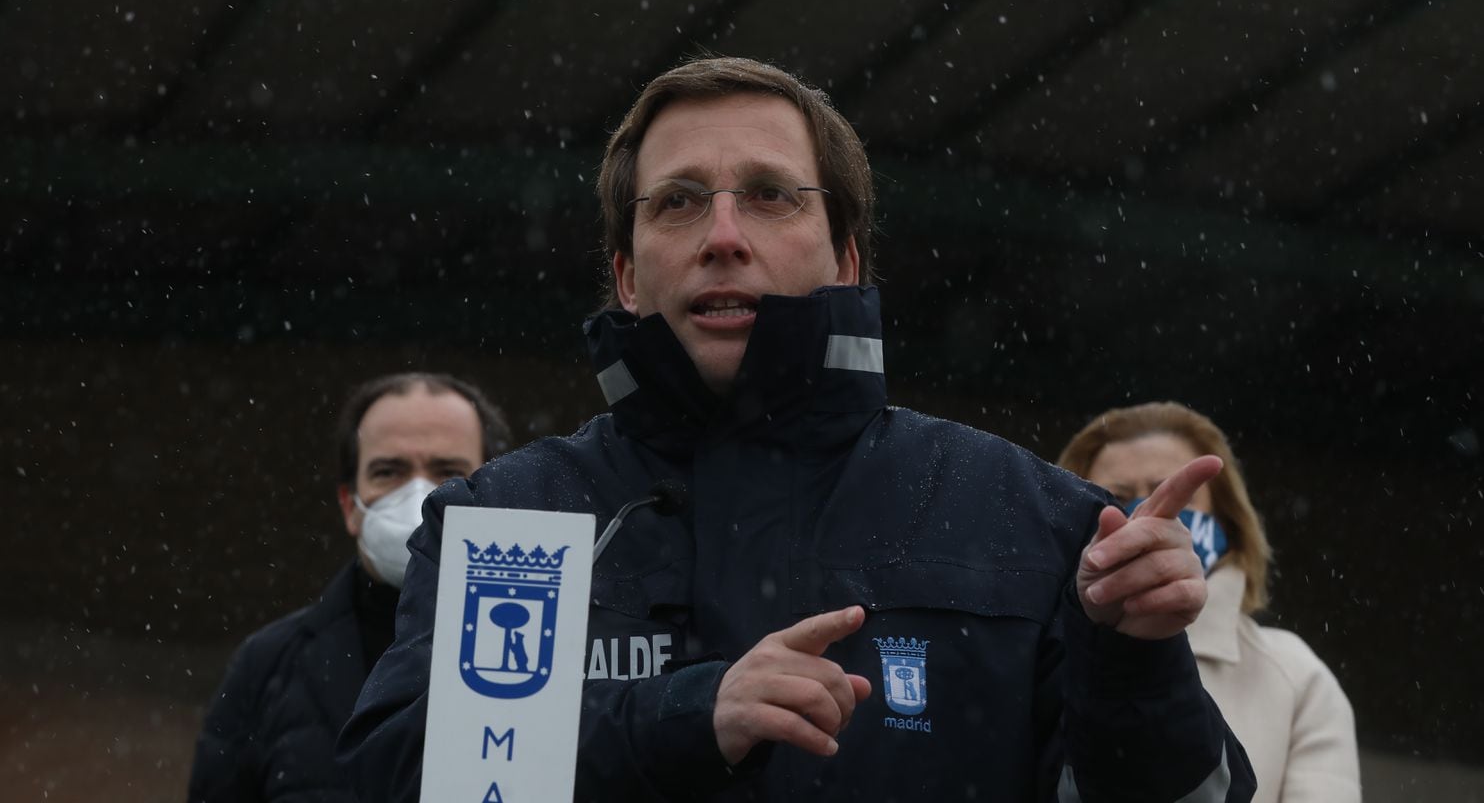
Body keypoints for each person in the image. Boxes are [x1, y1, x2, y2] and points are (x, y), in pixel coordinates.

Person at [339, 57, 1256, 801]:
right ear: (626, 273)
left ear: (845, 256)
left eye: (772, 196)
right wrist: (686, 718)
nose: (725, 234)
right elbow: (393, 782)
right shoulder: (507, 520)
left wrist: (1133, 663)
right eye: (679, 200)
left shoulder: (1038, 521)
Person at [188, 373, 513, 803]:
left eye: (448, 471)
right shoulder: (266, 669)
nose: (419, 494)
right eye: (388, 471)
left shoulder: (551, 662)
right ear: (349, 505)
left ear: (497, 495)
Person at [1057, 401, 1360, 803]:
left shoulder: (1295, 676)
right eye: (1117, 498)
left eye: (1174, 499)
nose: (1145, 517)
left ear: (1227, 522)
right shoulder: (1033, 651)